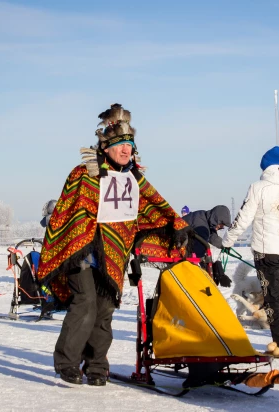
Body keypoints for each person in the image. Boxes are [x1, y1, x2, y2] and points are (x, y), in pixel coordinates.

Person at [37, 104, 190, 386]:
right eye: (120, 144)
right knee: (85, 303)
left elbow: (155, 206)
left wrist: (175, 224)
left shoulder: (134, 179)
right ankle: (67, 363)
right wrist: (82, 233)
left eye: (129, 145)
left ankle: (96, 365)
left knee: (105, 309)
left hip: (113, 254)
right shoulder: (84, 173)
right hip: (79, 252)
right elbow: (68, 212)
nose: (125, 150)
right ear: (106, 147)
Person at [222, 146, 279, 360]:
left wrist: (228, 240)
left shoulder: (258, 187)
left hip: (266, 250)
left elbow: (244, 216)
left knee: (272, 297)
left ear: (265, 167)